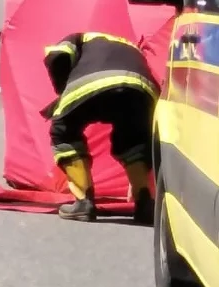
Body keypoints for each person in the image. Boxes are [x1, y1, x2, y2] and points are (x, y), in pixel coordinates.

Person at [40, 32, 159, 223]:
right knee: (134, 139)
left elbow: (58, 55)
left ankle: (83, 202)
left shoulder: (79, 37)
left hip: (88, 85)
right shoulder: (131, 46)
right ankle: (144, 202)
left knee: (63, 131)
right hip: (141, 90)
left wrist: (62, 90)